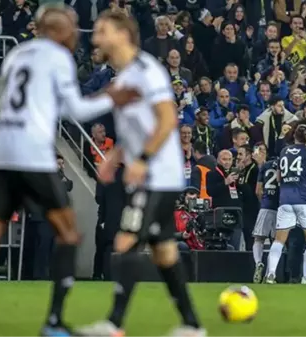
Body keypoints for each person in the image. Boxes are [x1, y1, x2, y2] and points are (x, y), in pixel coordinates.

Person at [0, 5, 139, 337]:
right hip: (32, 154)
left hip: (2, 153)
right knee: (69, 235)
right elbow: (74, 108)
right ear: (59, 30)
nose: (77, 32)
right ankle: (54, 323)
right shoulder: (57, 57)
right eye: (73, 26)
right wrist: (112, 97)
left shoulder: (17, 56)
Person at [75, 10, 204, 337]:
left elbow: (166, 120)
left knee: (125, 241)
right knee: (163, 251)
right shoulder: (126, 76)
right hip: (151, 173)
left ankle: (114, 323)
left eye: (102, 31)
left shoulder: (147, 71)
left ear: (121, 33)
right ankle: (191, 324)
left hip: (157, 175)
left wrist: (143, 159)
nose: (96, 37)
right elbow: (135, 128)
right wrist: (114, 156)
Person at [264, 125, 306, 284]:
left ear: (294, 136)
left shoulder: (284, 151)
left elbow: (278, 178)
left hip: (285, 200)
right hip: (304, 199)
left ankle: (270, 274)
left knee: (279, 239)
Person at [251, 155, 279, 283]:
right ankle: (269, 273)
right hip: (280, 207)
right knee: (276, 242)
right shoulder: (284, 163)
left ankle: (258, 263)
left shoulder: (265, 166)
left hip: (266, 206)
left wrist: (263, 202)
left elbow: (258, 190)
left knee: (259, 238)